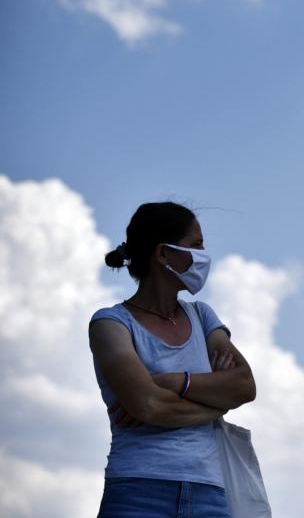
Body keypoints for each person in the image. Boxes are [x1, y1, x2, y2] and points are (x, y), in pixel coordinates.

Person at [89, 202, 256, 517]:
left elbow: (244, 386)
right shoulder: (111, 324)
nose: (204, 256)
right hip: (138, 492)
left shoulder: (203, 316)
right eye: (195, 246)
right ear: (163, 254)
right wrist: (218, 402)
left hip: (210, 495)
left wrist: (173, 382)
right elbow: (151, 406)